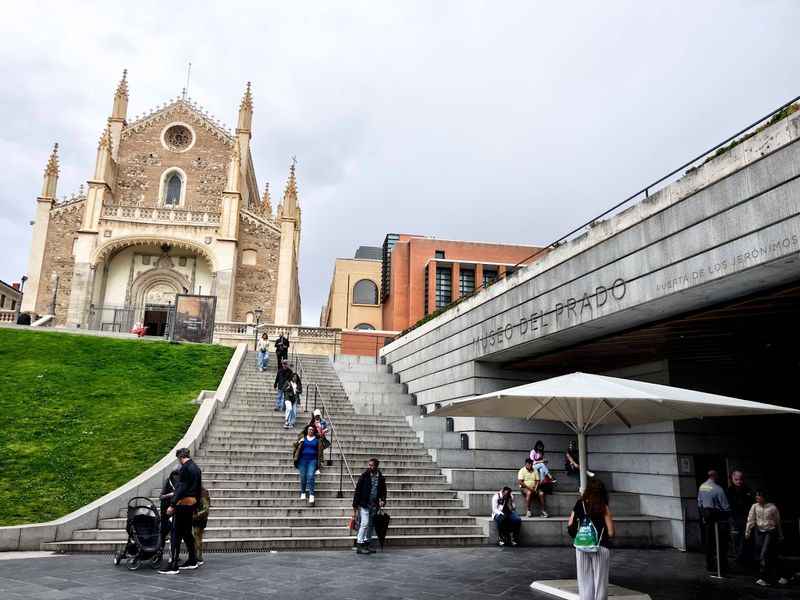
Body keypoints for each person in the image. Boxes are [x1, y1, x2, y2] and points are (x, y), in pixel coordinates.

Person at [568, 479, 614, 600]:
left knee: (584, 582)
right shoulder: (603, 506)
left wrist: (580, 535)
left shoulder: (579, 504)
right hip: (600, 546)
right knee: (601, 582)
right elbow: (611, 532)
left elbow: (570, 525)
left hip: (581, 545)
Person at [159, 448, 202, 574]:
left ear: (180, 457)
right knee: (187, 533)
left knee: (175, 534)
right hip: (192, 503)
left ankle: (173, 565)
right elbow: (198, 489)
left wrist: (172, 504)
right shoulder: (196, 468)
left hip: (182, 504)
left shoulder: (184, 469)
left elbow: (181, 487)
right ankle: (193, 560)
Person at [745, 490, 788, 587]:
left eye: (759, 496)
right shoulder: (754, 506)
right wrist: (747, 531)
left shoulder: (772, 507)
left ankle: (764, 578)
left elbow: (778, 522)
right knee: (769, 554)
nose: (757, 498)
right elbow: (750, 519)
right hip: (759, 532)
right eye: (756, 496)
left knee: (764, 554)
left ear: (764, 497)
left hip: (770, 532)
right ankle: (784, 575)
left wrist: (781, 535)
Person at [697, 470, 731, 575]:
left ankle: (710, 565)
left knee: (709, 543)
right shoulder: (718, 489)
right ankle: (722, 566)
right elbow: (725, 507)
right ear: (715, 476)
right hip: (718, 519)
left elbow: (699, 502)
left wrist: (703, 515)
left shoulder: (702, 487)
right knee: (721, 544)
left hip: (706, 518)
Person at [352, 457, 387, 554]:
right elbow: (358, 490)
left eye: (372, 465)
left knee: (371, 525)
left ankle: (367, 543)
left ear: (376, 466)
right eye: (369, 465)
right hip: (364, 503)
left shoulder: (380, 477)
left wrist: (383, 500)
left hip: (374, 504)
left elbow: (383, 490)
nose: (370, 467)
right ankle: (359, 544)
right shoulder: (364, 475)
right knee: (364, 523)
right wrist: (355, 504)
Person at [727, 469, 754, 565]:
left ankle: (745, 558)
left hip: (746, 519)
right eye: (736, 479)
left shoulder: (747, 490)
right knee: (736, 539)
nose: (739, 481)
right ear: (732, 479)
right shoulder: (729, 491)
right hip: (735, 519)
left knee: (746, 539)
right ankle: (738, 558)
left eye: (741, 479)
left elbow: (751, 503)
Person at [293, 425, 323, 504]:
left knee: (310, 475)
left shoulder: (317, 440)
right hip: (302, 460)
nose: (311, 431)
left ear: (314, 431)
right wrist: (299, 442)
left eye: (312, 430)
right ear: (307, 430)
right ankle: (303, 492)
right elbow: (294, 446)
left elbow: (320, 453)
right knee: (303, 476)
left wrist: (319, 464)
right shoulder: (303, 438)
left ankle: (311, 495)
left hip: (312, 460)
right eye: (309, 429)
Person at [159, 468, 181, 547]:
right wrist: (171, 494)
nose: (176, 478)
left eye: (178, 476)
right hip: (166, 509)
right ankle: (160, 551)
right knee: (163, 531)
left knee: (176, 533)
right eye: (175, 476)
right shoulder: (168, 482)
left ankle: (175, 554)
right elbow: (161, 497)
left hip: (176, 510)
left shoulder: (181, 483)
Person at [192, 487, 211, 567]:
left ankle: (197, 557)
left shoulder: (202, 492)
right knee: (198, 537)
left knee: (196, 537)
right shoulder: (201, 491)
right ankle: (198, 556)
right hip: (200, 518)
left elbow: (206, 509)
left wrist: (195, 515)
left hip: (199, 519)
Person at [309, 409, 330, 475]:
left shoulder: (323, 421)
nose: (317, 417)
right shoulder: (312, 422)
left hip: (320, 439)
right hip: (314, 439)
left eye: (318, 415)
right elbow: (308, 430)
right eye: (316, 416)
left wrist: (324, 431)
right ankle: (317, 465)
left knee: (319, 452)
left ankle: (317, 467)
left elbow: (327, 428)